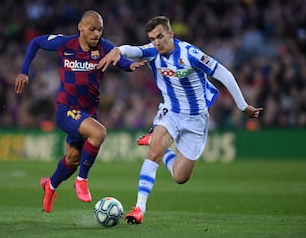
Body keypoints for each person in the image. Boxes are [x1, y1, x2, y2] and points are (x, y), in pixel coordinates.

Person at [97, 16, 263, 224]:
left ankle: (158, 144)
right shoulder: (152, 51)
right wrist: (118, 51)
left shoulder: (190, 54)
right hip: (171, 112)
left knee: (180, 177)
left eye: (159, 36)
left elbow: (224, 74)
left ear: (170, 34)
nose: (156, 42)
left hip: (196, 119)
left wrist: (242, 106)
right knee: (153, 154)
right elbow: (133, 49)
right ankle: (139, 208)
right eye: (152, 38)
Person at [14, 10, 145, 212]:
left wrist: (131, 65)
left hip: (88, 113)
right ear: (80, 27)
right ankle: (82, 181)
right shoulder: (65, 44)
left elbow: (120, 61)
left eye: (100, 29)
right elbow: (36, 42)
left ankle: (50, 185)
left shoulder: (103, 47)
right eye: (92, 29)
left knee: (73, 159)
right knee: (99, 133)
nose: (96, 34)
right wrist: (24, 71)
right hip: (66, 110)